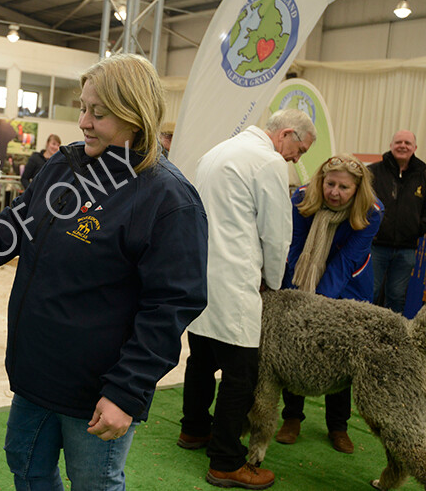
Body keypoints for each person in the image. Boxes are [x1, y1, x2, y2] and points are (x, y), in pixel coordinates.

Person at [0, 53, 208, 490]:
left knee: (94, 482)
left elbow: (170, 306)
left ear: (135, 115)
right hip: (37, 372)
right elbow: (14, 226)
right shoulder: (66, 165)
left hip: (98, 387)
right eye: (84, 108)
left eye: (100, 113)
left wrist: (125, 391)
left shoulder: (168, 199)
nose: (85, 122)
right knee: (25, 463)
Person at [178, 109, 316, 490]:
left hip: (202, 276)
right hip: (236, 280)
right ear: (286, 134)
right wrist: (274, 281)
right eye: (299, 150)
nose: (295, 159)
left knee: (202, 359)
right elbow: (276, 233)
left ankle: (193, 430)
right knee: (241, 375)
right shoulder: (268, 161)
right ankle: (225, 460)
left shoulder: (217, 151)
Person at [274, 154, 383, 454]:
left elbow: (347, 260)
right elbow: (295, 246)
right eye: (330, 184)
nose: (334, 192)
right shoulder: (301, 199)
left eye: (343, 188)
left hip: (349, 286)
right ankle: (292, 417)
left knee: (342, 353)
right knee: (296, 348)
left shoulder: (372, 211)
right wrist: (299, 296)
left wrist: (318, 303)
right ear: (320, 181)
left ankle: (338, 426)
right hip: (303, 276)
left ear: (357, 190)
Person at [368, 130, 426, 314]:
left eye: (407, 143)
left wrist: (418, 229)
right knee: (371, 291)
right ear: (391, 146)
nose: (403, 146)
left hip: (407, 249)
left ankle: (391, 337)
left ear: (415, 148)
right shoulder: (372, 171)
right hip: (376, 246)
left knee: (396, 295)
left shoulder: (423, 174)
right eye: (399, 142)